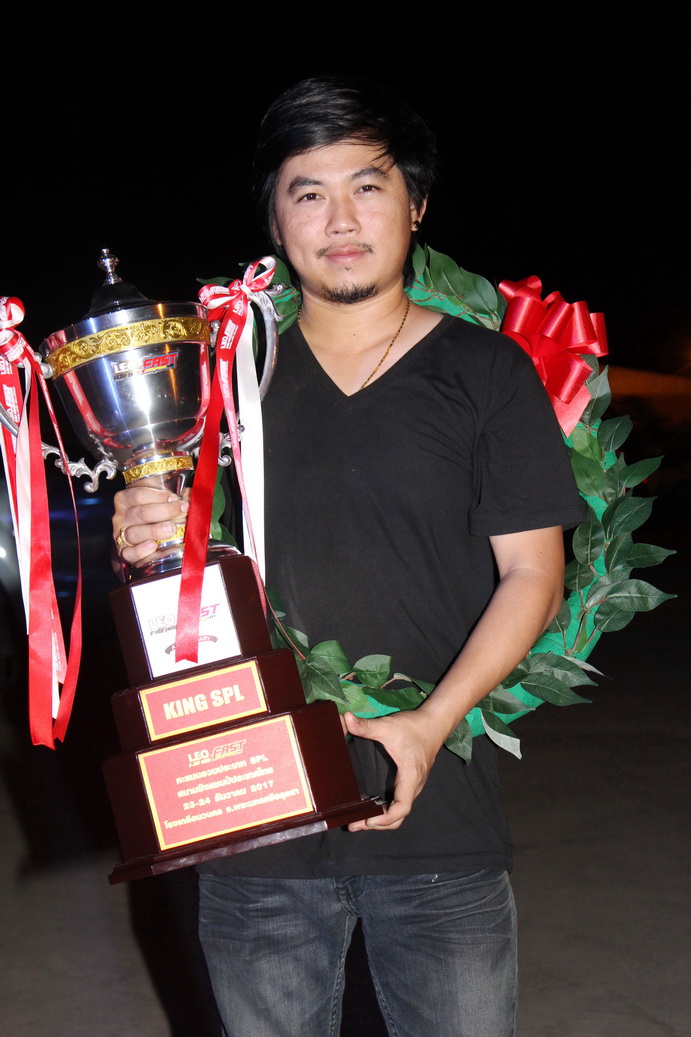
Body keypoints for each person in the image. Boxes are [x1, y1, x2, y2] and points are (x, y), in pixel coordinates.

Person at [112, 77, 584, 1037]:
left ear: (415, 205)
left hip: (438, 817)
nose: (339, 220)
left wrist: (428, 725)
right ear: (274, 220)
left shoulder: (485, 372)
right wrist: (146, 541)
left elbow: (534, 576)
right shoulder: (220, 387)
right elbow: (187, 579)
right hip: (251, 815)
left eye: (367, 187)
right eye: (307, 192)